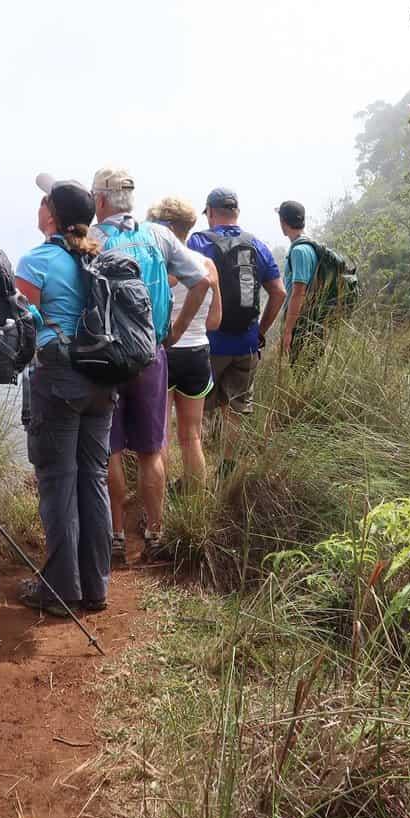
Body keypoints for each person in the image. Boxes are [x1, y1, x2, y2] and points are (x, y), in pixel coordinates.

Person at [90, 167, 210, 563]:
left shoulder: (92, 240)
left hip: (106, 359)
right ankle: (156, 534)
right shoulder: (158, 235)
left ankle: (116, 537)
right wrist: (173, 333)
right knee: (150, 449)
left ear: (100, 200)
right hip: (151, 354)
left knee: (109, 451)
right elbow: (201, 282)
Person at [11, 175, 114, 613]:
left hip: (58, 377)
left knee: (58, 482)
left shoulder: (35, 262)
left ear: (51, 216)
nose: (38, 207)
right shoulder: (100, 258)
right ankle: (96, 587)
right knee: (93, 478)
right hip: (103, 375)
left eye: (42, 202)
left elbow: (19, 326)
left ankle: (60, 590)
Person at [188, 188, 286, 442]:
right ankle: (228, 468)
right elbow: (279, 292)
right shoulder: (257, 245)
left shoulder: (198, 243)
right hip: (247, 342)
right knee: (236, 410)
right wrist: (260, 331)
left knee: (199, 411)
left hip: (209, 342)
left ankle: (199, 476)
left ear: (210, 212)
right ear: (237, 213)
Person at [146, 197, 222, 491]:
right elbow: (214, 320)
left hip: (164, 353)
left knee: (160, 435)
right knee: (192, 436)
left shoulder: (156, 266)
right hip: (198, 352)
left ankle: (158, 508)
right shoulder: (207, 265)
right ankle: (194, 505)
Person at [278, 200, 317, 357]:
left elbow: (298, 292)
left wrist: (288, 331)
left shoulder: (299, 251)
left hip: (301, 324)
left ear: (283, 222)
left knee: (299, 371)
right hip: (310, 319)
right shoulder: (309, 247)